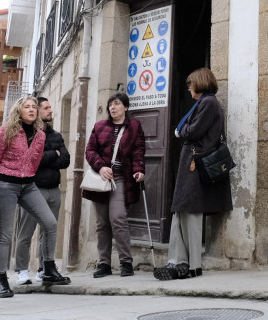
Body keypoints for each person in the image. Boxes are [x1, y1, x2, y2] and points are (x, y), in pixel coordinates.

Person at [154, 68, 232, 281]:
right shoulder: (205, 103)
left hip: (195, 163)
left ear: (201, 83)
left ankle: (190, 265)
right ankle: (179, 262)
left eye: (191, 84)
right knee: (182, 211)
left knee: (190, 211)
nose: (188, 88)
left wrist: (181, 131)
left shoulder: (208, 103)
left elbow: (194, 131)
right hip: (192, 163)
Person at [0, 96, 70, 297]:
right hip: (5, 183)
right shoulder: (7, 130)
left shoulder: (40, 135)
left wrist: (28, 175)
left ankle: (48, 267)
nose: (32, 110)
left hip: (28, 184)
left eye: (34, 107)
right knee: (6, 234)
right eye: (27, 107)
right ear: (19, 110)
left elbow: (34, 162)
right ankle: (1, 280)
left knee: (50, 223)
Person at [83, 92, 146, 278]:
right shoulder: (99, 126)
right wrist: (101, 167)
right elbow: (90, 151)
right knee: (102, 223)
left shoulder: (134, 126)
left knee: (118, 218)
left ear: (125, 107)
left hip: (121, 178)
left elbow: (139, 150)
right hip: (101, 178)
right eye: (111, 104)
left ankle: (126, 262)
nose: (112, 107)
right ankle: (104, 264)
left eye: (117, 104)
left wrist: (139, 169)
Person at [13, 96, 70, 285]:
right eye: (46, 108)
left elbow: (66, 160)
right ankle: (21, 270)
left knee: (49, 230)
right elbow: (30, 161)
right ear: (36, 111)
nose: (50, 111)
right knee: (26, 232)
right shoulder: (28, 134)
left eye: (50, 107)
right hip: (32, 189)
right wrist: (53, 154)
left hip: (53, 189)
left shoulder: (56, 136)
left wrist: (46, 158)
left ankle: (44, 269)